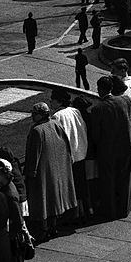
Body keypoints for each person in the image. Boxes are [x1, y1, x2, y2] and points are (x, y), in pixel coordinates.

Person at [87, 76, 131, 219]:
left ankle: (109, 211)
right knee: (125, 180)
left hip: (108, 151)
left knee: (108, 182)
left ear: (100, 89)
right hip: (127, 146)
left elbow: (96, 134)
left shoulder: (98, 108)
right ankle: (124, 209)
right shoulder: (124, 100)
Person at [24, 103, 78, 241]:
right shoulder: (55, 124)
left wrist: (31, 171)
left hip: (43, 172)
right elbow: (66, 145)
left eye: (34, 113)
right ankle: (53, 227)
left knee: (43, 201)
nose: (32, 116)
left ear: (40, 114)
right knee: (54, 199)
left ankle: (44, 229)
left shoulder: (37, 130)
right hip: (57, 168)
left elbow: (33, 154)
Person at [49, 88, 91, 221]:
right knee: (81, 185)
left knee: (71, 187)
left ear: (59, 101)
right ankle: (86, 211)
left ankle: (74, 215)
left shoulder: (57, 116)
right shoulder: (75, 111)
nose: (51, 102)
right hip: (81, 152)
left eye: (52, 100)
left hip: (69, 156)